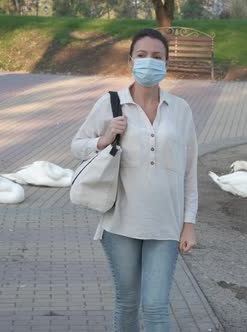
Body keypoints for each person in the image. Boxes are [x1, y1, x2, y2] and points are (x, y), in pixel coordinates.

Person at [71, 28, 198, 332]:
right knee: (127, 302)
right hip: (121, 223)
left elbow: (190, 170)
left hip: (166, 226)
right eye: (142, 55)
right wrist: (104, 138)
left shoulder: (181, 109)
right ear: (130, 60)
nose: (149, 62)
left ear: (166, 63)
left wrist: (189, 223)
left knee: (155, 307)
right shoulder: (111, 103)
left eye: (157, 57)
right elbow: (77, 146)